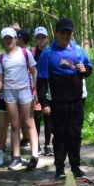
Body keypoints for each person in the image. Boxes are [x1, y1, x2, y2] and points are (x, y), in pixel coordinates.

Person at [37, 17, 92, 179]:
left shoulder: (78, 50)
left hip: (77, 101)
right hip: (57, 102)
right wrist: (44, 103)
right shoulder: (47, 54)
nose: (65, 36)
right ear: (56, 32)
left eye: (68, 33)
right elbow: (41, 81)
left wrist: (85, 69)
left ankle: (75, 167)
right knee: (59, 136)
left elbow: (89, 68)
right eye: (62, 33)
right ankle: (59, 169)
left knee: (75, 135)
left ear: (72, 34)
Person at [0, 27, 39, 171]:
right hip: (9, 94)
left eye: (10, 38)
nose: (8, 40)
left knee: (29, 123)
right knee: (14, 125)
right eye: (5, 38)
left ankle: (34, 156)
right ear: (2, 41)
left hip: (25, 91)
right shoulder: (1, 59)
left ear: (16, 38)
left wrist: (36, 91)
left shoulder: (25, 53)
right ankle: (16, 157)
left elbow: (34, 72)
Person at [32, 26, 53, 156]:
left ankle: (47, 145)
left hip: (50, 88)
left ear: (47, 38)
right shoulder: (32, 53)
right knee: (37, 117)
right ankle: (37, 145)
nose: (41, 40)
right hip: (35, 88)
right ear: (35, 39)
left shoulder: (52, 52)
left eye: (43, 37)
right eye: (38, 38)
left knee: (48, 117)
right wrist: (34, 90)